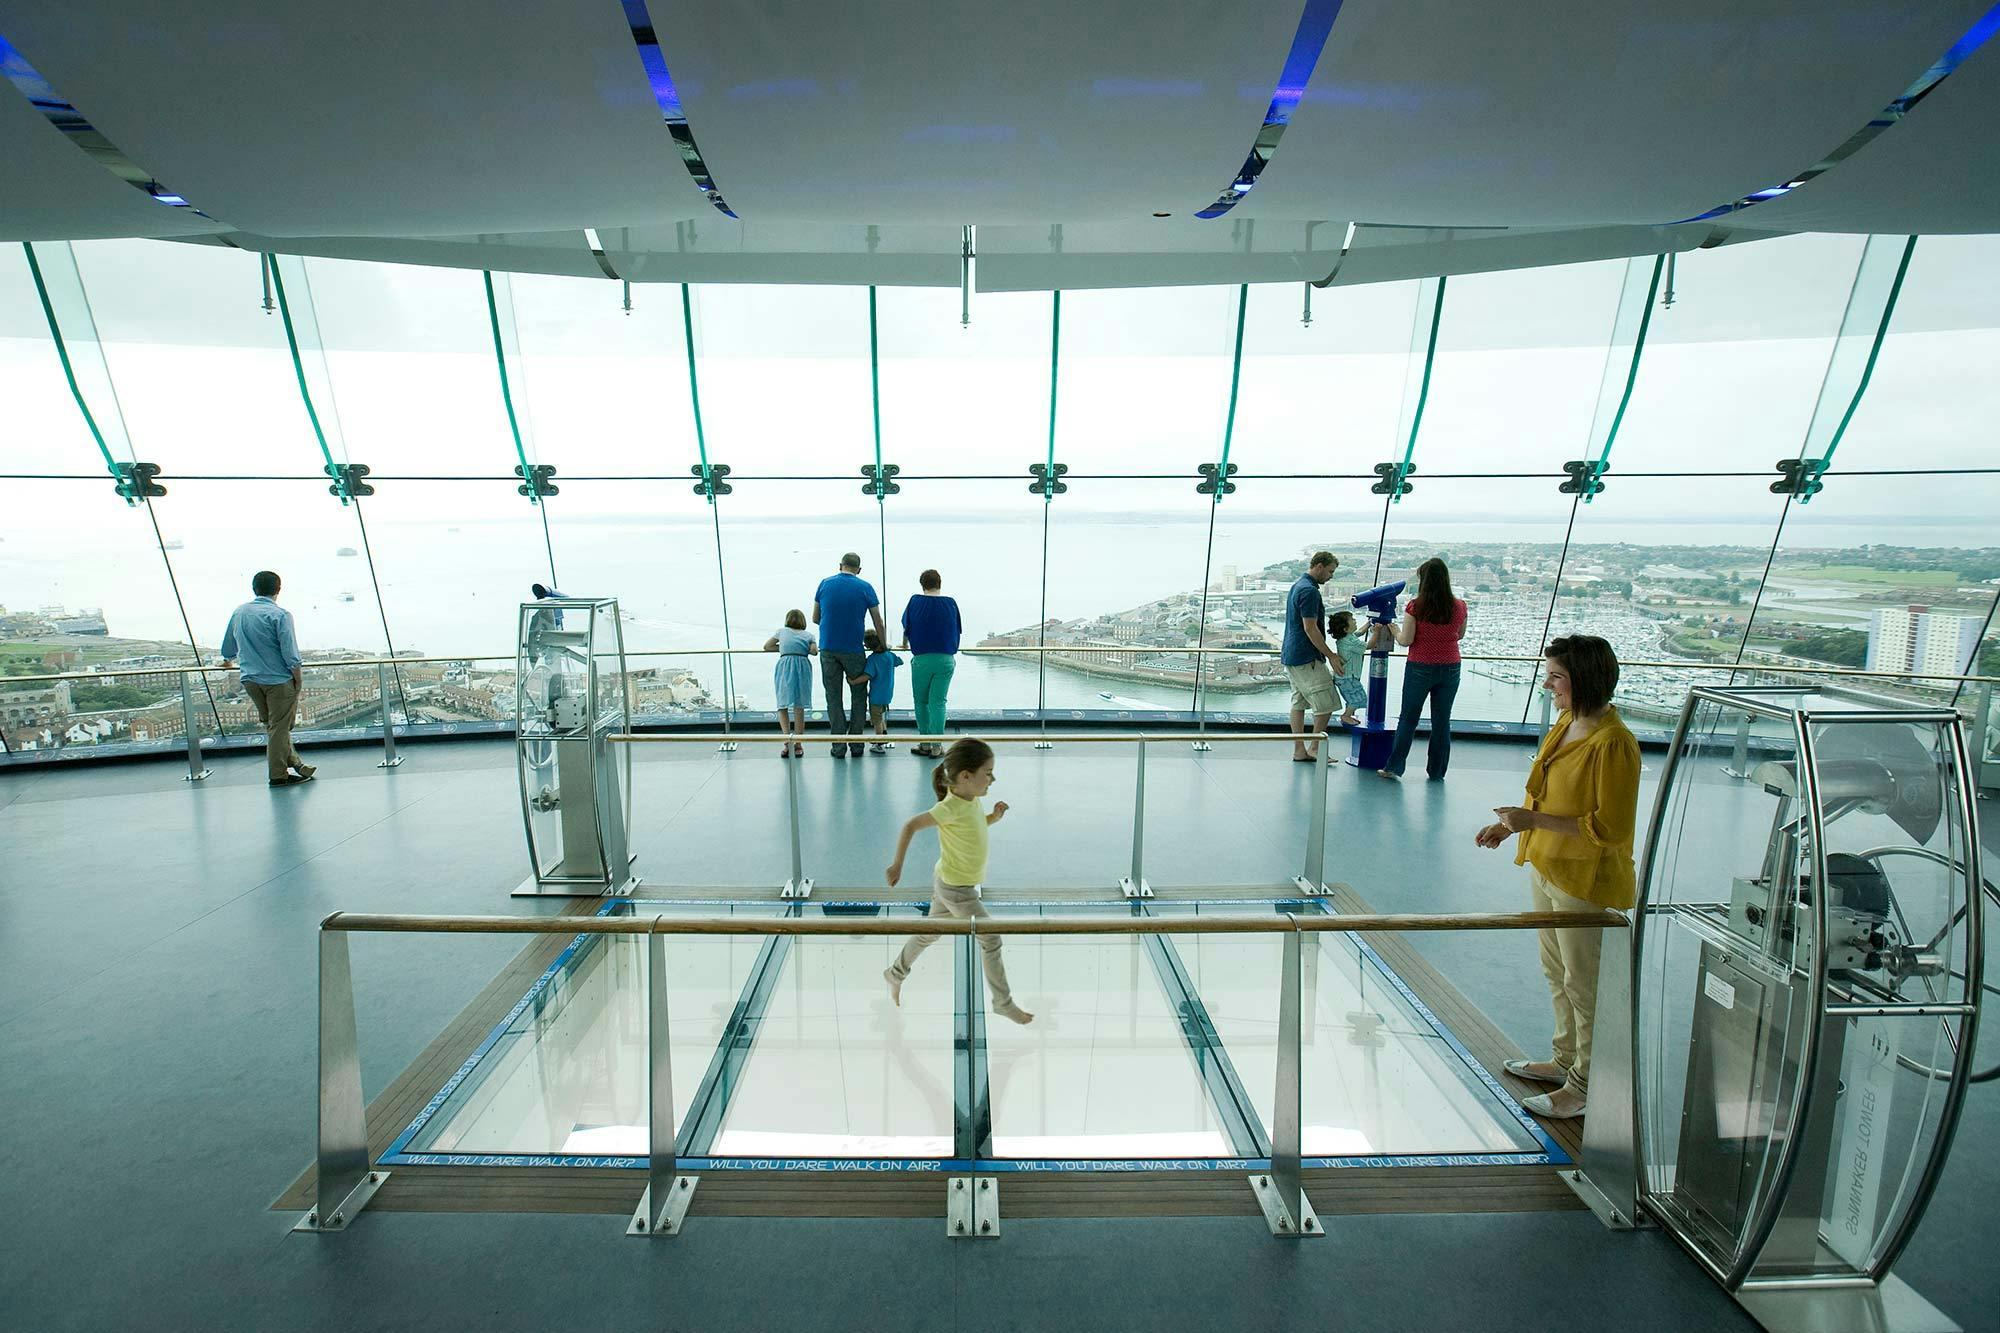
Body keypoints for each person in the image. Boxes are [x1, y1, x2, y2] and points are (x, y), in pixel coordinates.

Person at [1475, 635, 1639, 1120]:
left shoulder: (1613, 744)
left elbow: (1610, 828)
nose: (1547, 685)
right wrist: (1512, 826)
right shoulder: (1568, 722)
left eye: (1556, 677)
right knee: (1558, 974)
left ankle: (1585, 1085)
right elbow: (1546, 795)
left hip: (1585, 881)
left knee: (1584, 985)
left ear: (1583, 680)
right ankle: (1565, 1061)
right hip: (1550, 866)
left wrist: (1533, 821)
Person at [883, 737, 1033, 1024]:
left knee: (929, 933)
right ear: (965, 776)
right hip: (957, 890)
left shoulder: (971, 799)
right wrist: (897, 865)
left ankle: (895, 973)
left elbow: (972, 825)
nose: (993, 779)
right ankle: (1002, 1003)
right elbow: (910, 825)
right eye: (988, 773)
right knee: (991, 939)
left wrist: (993, 817)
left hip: (947, 880)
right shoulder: (949, 807)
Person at [219, 570, 313, 787]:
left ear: (254, 589)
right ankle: (278, 775)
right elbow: (290, 652)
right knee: (280, 728)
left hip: (250, 680)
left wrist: (228, 660)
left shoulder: (239, 612)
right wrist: (298, 680)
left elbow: (228, 648)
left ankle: (298, 765)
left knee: (274, 726)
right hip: (278, 680)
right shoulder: (281, 615)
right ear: (278, 589)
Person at [1382, 557, 1467, 780]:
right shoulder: (1460, 606)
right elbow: (1459, 635)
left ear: (1424, 580)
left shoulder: (1416, 606)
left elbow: (1406, 640)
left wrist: (1395, 630)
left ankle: (1394, 767)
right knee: (1442, 720)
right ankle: (1437, 771)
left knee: (1408, 719)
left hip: (1420, 666)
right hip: (1451, 667)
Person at [813, 552, 886, 758]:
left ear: (840, 566)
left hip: (828, 649)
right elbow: (878, 621)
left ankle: (838, 748)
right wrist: (882, 645)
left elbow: (816, 618)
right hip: (854, 649)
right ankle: (856, 746)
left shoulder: (824, 584)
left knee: (833, 698)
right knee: (859, 697)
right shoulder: (865, 587)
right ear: (859, 570)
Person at [1281, 552, 1340, 761]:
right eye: (1330, 571)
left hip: (1292, 655)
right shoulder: (1309, 591)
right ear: (1319, 566)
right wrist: (1330, 655)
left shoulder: (1297, 586)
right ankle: (1315, 747)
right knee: (1326, 703)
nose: (1331, 576)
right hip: (1307, 656)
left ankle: (1299, 750)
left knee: (1298, 703)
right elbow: (1310, 628)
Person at [900, 568, 962, 758]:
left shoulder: (915, 601)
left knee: (921, 701)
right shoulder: (951, 603)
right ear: (939, 584)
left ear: (922, 585)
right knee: (938, 703)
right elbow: (957, 630)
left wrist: (904, 644)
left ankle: (925, 744)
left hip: (922, 659)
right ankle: (937, 746)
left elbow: (907, 627)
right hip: (945, 659)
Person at [763, 610, 817, 758]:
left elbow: (767, 646)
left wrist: (783, 648)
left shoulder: (781, 632)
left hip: (785, 665)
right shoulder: (809, 635)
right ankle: (798, 743)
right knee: (799, 706)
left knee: (782, 704)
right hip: (802, 666)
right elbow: (814, 651)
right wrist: (802, 647)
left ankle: (787, 741)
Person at [862, 629, 904, 755]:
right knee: (881, 716)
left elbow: (867, 675)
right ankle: (884, 735)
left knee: (877, 720)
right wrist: (889, 650)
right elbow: (900, 661)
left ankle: (879, 744)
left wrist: (853, 681)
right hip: (887, 694)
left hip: (876, 696)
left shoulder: (872, 659)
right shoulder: (889, 656)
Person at [1326, 610, 1367, 729]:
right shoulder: (1350, 641)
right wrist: (1377, 632)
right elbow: (1369, 645)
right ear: (1345, 629)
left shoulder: (1347, 637)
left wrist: (1369, 623)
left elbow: (1360, 632)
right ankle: (1346, 716)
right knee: (1358, 699)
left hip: (1345, 677)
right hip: (1348, 678)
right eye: (1352, 620)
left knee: (1352, 697)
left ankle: (1348, 715)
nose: (1355, 620)